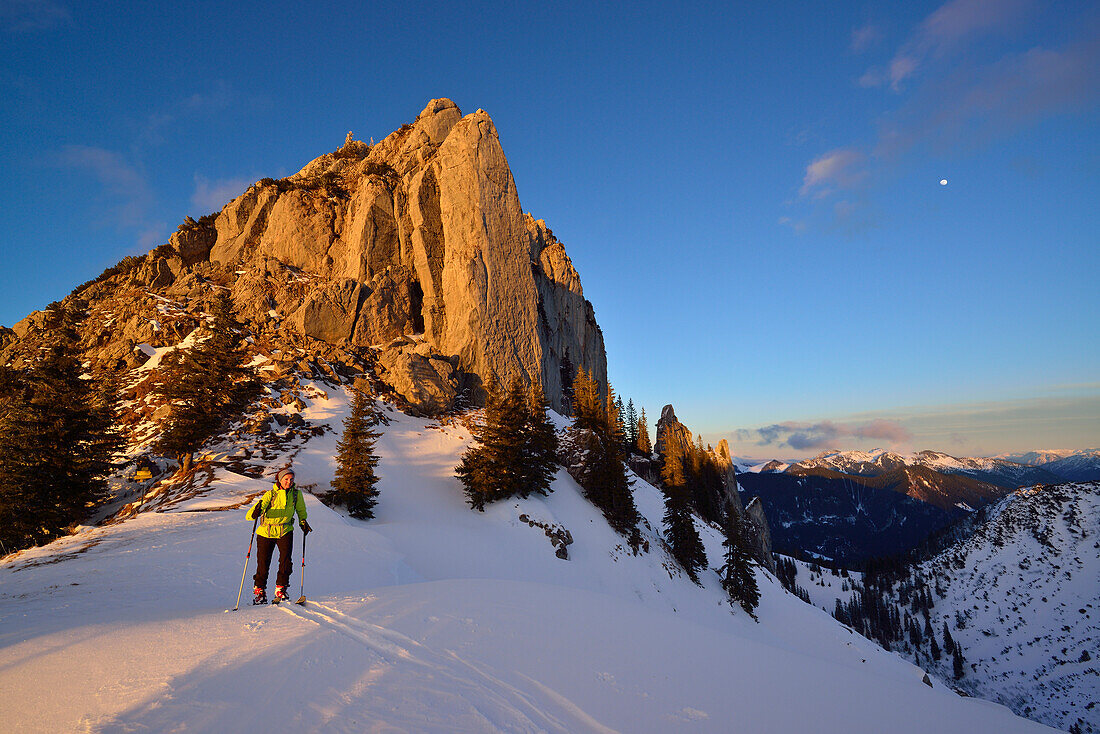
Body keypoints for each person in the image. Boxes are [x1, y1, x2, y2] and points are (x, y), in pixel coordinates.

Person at [248, 467, 311, 603]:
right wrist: (256, 511)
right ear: (280, 480)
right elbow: (250, 515)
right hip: (266, 532)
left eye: (291, 479)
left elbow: (301, 510)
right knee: (263, 564)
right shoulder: (270, 494)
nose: (289, 482)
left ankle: (281, 589)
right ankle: (260, 592)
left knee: (286, 561)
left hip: (285, 530)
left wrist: (303, 522)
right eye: (286, 479)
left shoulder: (296, 494)